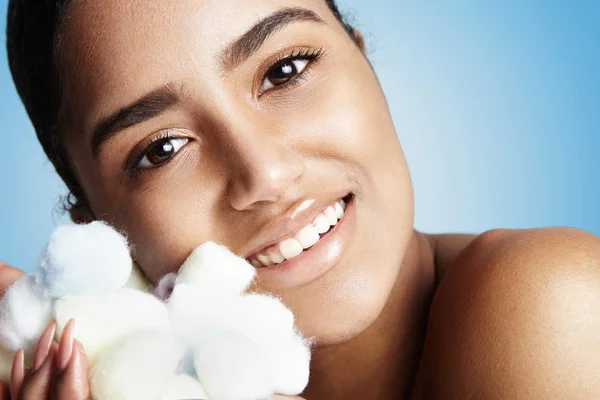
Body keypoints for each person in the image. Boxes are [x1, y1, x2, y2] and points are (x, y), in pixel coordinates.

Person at [2, 0, 600, 399]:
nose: (264, 173)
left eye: (285, 70)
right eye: (162, 149)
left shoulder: (554, 300)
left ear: (363, 57)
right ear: (96, 233)